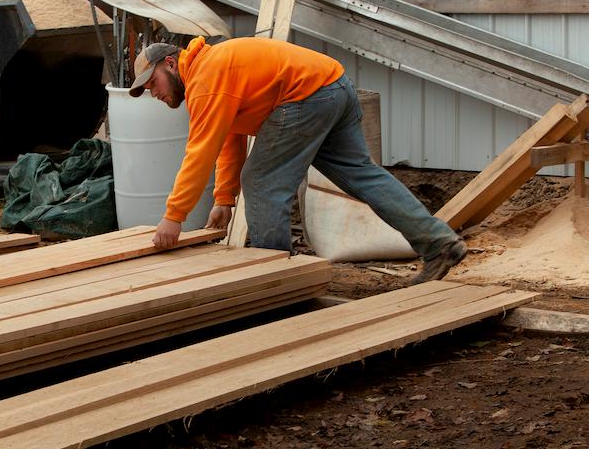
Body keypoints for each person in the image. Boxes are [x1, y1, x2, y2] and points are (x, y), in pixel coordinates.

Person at [128, 36, 467, 283]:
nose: (153, 93)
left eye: (152, 82)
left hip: (307, 96)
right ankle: (438, 243)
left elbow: (199, 152)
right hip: (335, 86)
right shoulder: (212, 71)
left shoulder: (206, 79)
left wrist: (174, 217)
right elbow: (229, 137)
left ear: (170, 64)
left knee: (262, 183)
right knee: (363, 175)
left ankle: (276, 282)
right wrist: (224, 198)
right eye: (145, 90)